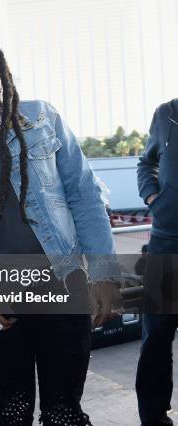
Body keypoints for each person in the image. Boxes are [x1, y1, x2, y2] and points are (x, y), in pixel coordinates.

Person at [0, 35, 122, 426]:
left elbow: (84, 194)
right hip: (1, 300)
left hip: (64, 286)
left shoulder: (41, 121)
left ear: (3, 81)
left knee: (63, 413)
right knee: (13, 411)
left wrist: (104, 275)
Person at [136, 98, 178, 426]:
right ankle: (153, 417)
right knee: (156, 336)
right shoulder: (167, 113)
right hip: (166, 242)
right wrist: (154, 198)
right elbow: (145, 163)